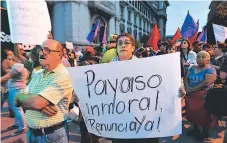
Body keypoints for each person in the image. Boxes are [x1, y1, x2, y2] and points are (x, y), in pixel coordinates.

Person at [15, 39, 73, 143]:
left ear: (59, 54)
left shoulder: (64, 75)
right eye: (41, 49)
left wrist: (31, 102)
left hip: (51, 137)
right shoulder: (38, 73)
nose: (42, 53)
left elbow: (37, 102)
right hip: (32, 134)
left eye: (47, 50)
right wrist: (38, 106)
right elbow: (17, 99)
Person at [184, 51, 218, 142]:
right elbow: (186, 78)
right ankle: (195, 129)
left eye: (203, 57)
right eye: (198, 57)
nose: (200, 59)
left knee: (203, 116)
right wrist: (187, 89)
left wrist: (191, 90)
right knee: (191, 113)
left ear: (208, 59)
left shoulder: (210, 69)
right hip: (190, 96)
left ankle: (205, 133)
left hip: (204, 96)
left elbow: (206, 82)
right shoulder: (192, 68)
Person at [0, 56, 27, 136]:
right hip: (15, 90)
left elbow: (6, 77)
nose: (5, 62)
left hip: (16, 90)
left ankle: (22, 127)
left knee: (17, 108)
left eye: (8, 59)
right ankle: (17, 123)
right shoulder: (18, 67)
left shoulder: (17, 67)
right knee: (15, 108)